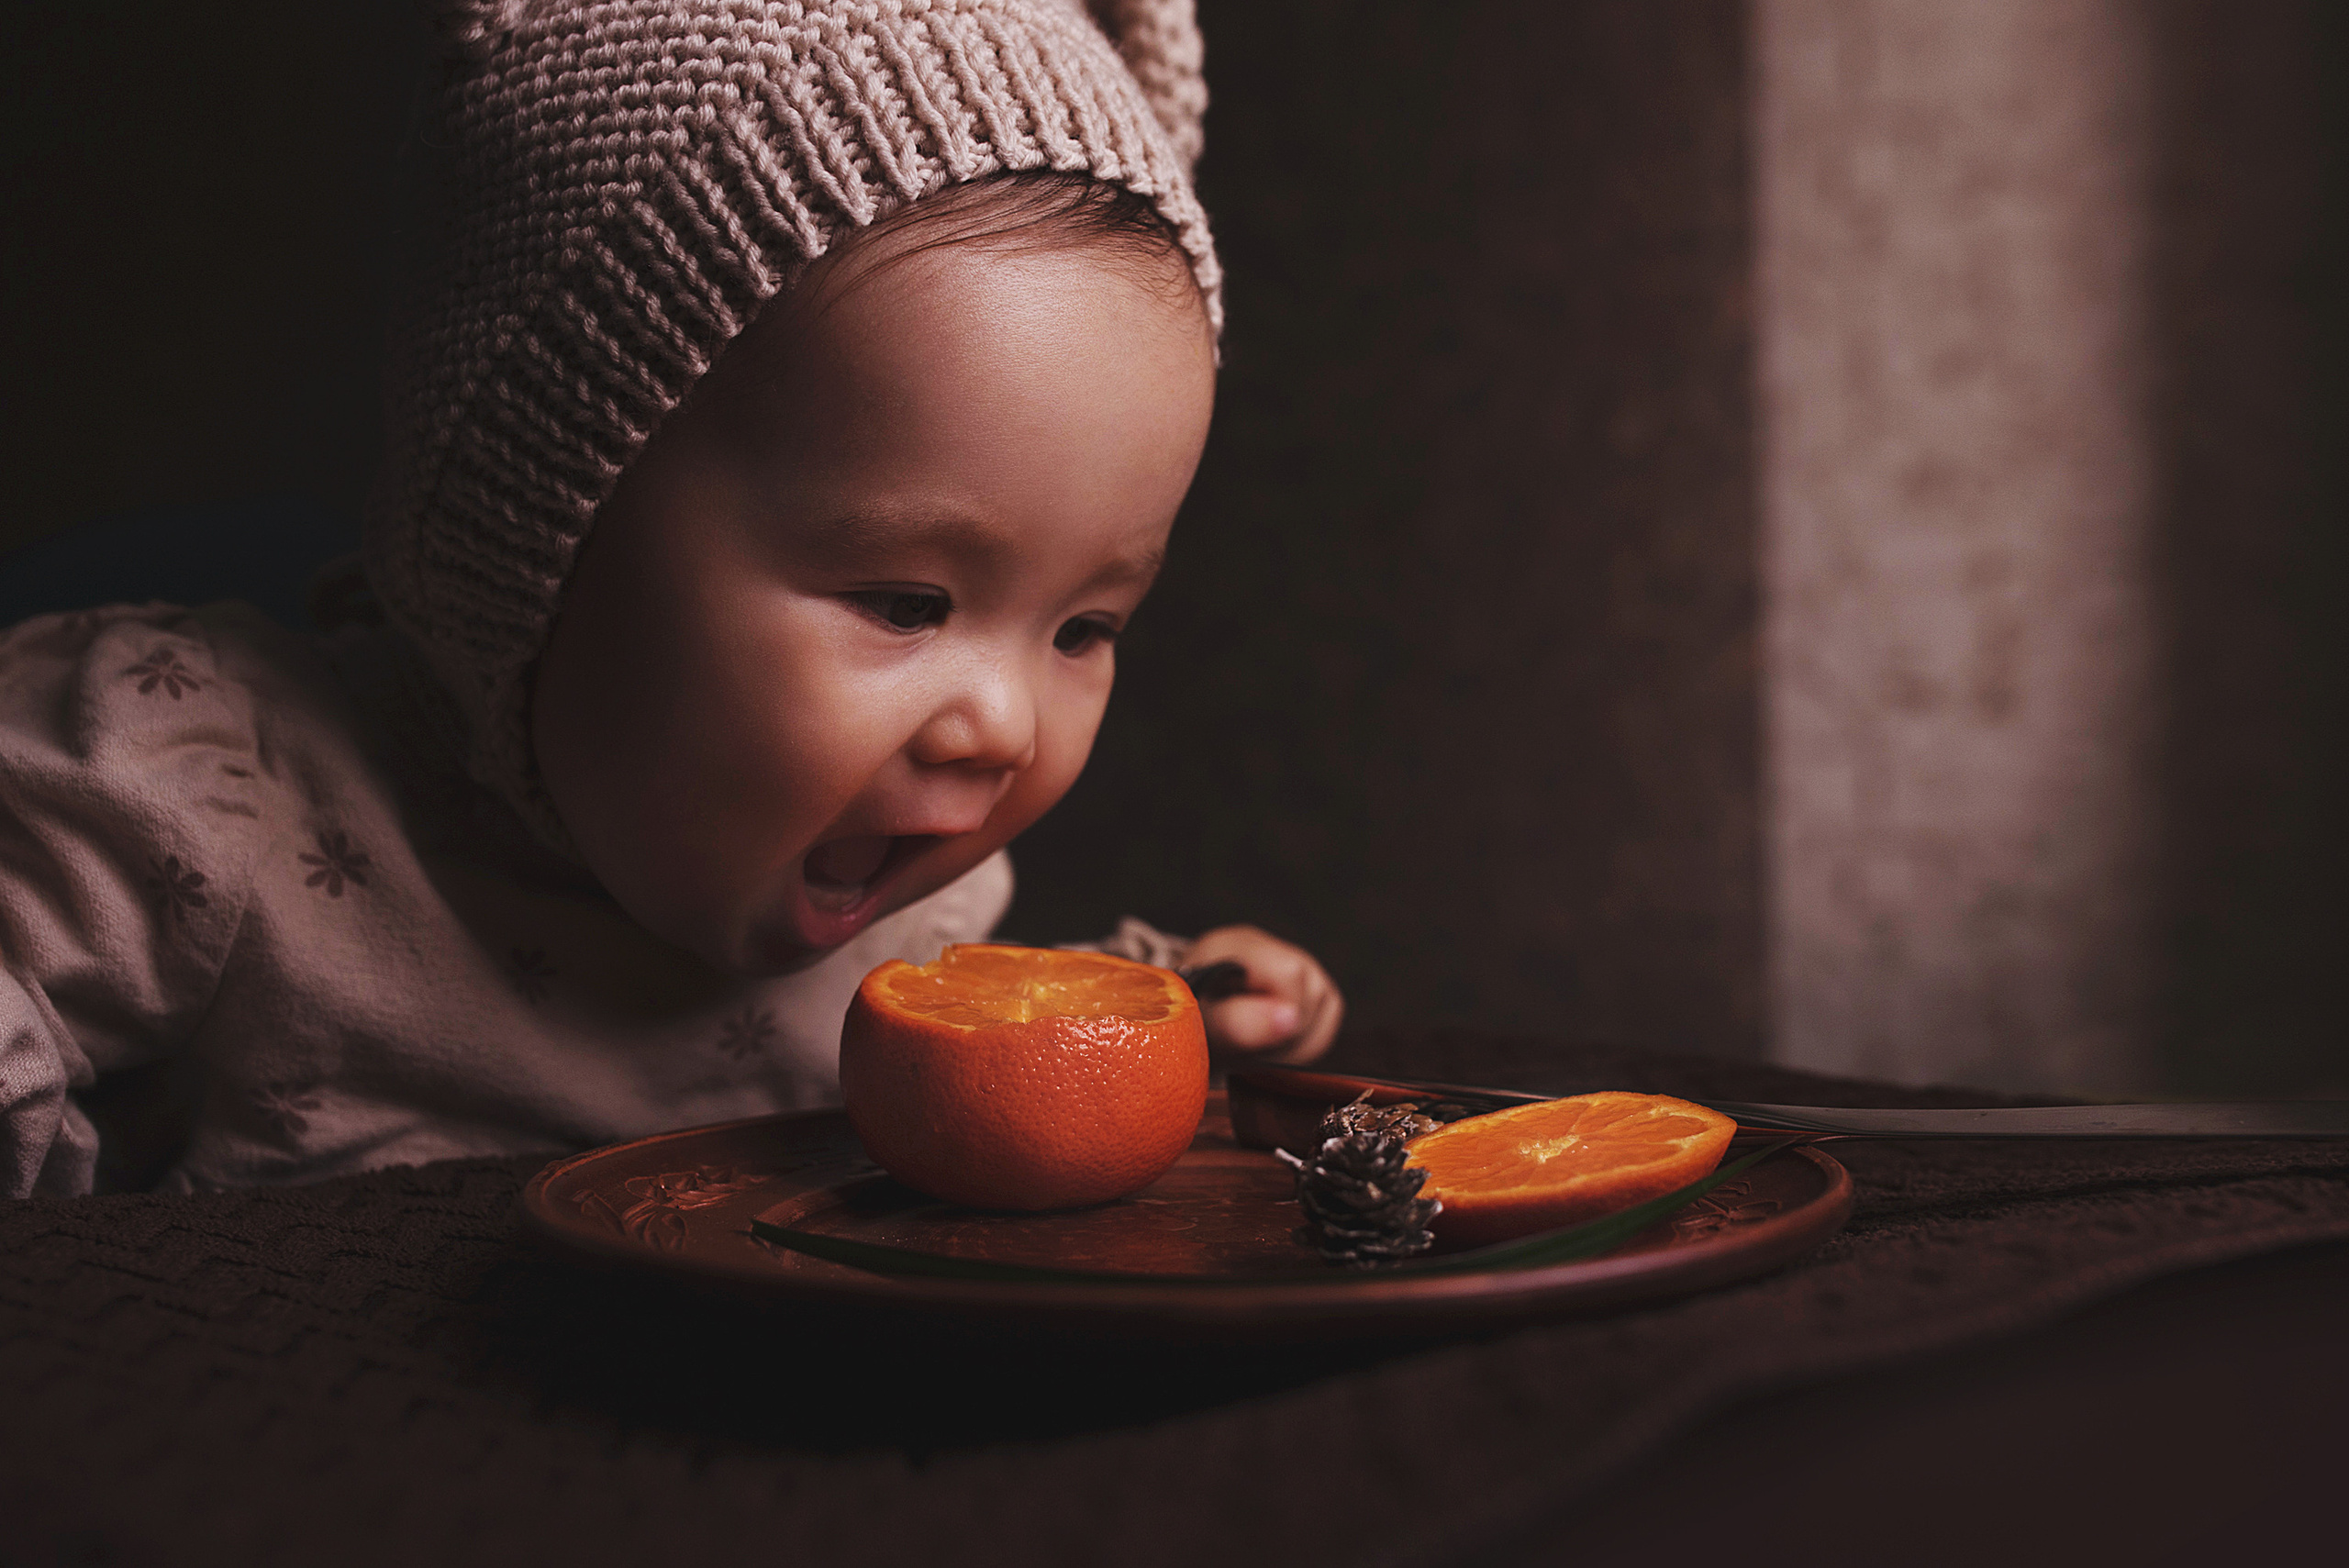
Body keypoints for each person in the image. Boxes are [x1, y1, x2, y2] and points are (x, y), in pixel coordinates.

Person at [0, 0, 1341, 1198]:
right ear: (539, 534)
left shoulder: (904, 904)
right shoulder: (210, 797)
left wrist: (1148, 1014)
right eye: (904, 602)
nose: (999, 725)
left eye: (1083, 628)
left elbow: (941, 1087)